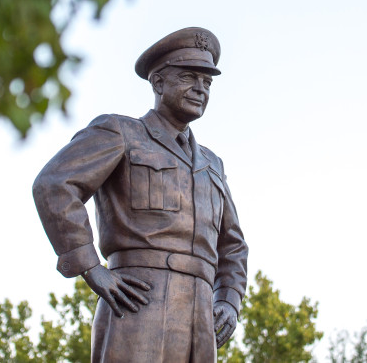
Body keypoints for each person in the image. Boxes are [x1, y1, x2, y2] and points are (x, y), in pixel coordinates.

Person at [33, 27, 248, 362]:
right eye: (189, 77)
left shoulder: (212, 164)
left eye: (207, 83)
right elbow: (55, 185)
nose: (200, 89)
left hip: (201, 315)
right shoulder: (121, 132)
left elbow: (232, 243)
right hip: (138, 301)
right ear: (158, 83)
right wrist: (91, 267)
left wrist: (229, 300)